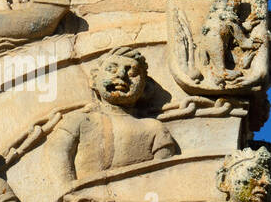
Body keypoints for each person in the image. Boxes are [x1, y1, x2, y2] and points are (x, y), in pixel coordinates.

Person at [49, 46, 177, 183]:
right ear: (94, 80)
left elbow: (164, 176)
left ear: (145, 88)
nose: (121, 75)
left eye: (133, 73)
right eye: (111, 69)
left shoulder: (154, 129)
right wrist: (68, 190)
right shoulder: (79, 120)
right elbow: (58, 154)